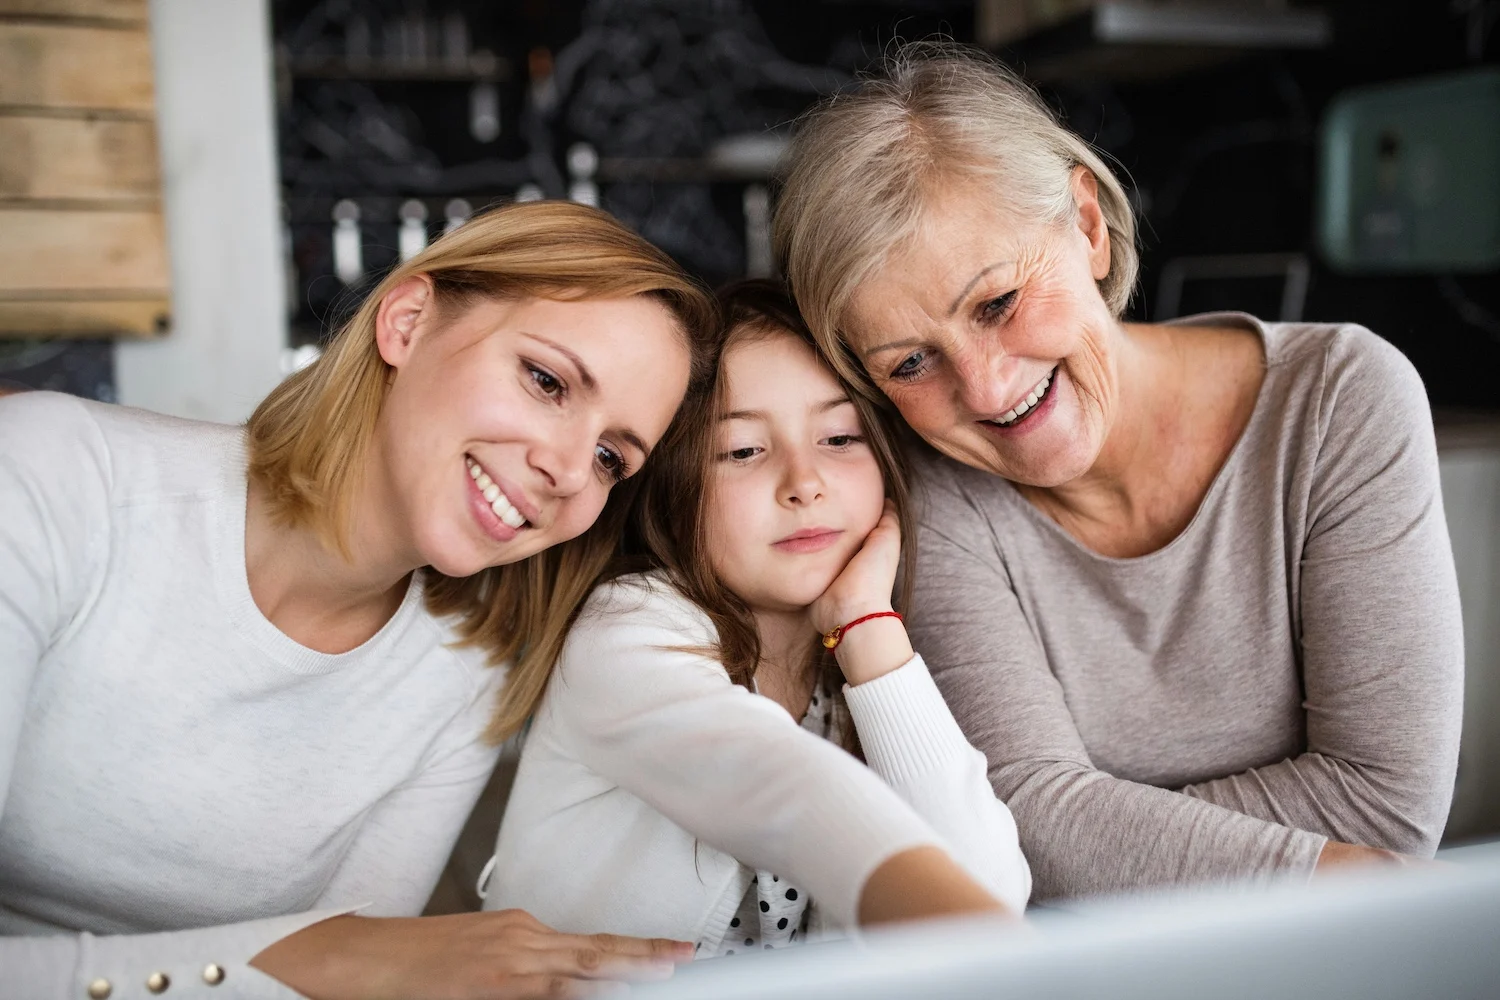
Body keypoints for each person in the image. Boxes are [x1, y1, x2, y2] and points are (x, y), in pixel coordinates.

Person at [772, 43, 1464, 902]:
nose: (986, 388)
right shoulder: (936, 492)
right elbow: (1021, 822)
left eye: (998, 304)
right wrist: (1049, 829)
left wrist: (1085, 832)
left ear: (1089, 227)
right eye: (911, 362)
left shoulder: (1340, 401)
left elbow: (1389, 809)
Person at [0, 201, 719, 999]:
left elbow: (361, 984)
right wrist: (312, 962)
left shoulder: (467, 666)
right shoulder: (52, 477)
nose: (567, 469)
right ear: (407, 322)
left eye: (612, 457)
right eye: (546, 381)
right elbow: (341, 970)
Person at [483, 281, 1030, 955]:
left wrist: (865, 625)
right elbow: (775, 784)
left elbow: (989, 895)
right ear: (674, 486)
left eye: (838, 437)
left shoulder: (854, 675)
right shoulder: (623, 634)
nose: (804, 480)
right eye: (744, 450)